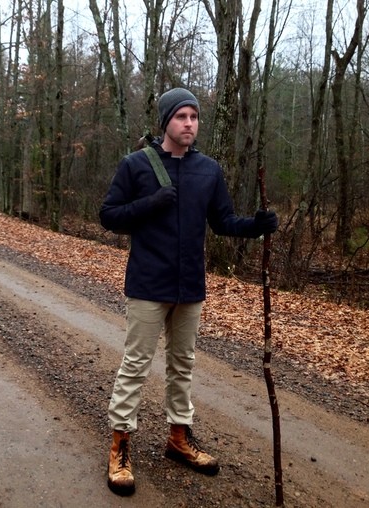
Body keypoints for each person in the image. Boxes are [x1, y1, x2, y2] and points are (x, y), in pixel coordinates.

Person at [99, 87, 278, 496]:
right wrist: (151, 203)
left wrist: (256, 226)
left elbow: (223, 222)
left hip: (190, 286)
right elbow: (108, 216)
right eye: (181, 117)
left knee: (183, 365)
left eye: (194, 117)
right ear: (166, 121)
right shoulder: (136, 165)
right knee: (136, 365)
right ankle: (120, 446)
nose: (189, 124)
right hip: (148, 284)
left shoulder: (208, 170)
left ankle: (178, 438)